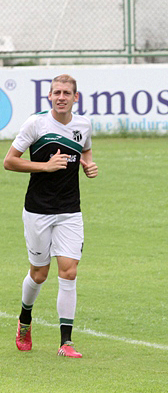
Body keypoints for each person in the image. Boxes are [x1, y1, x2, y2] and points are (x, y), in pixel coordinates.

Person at [3, 74, 98, 358]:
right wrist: (45, 166)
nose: (61, 97)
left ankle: (66, 342)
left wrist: (88, 166)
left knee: (69, 271)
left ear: (75, 97)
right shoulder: (36, 124)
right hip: (38, 210)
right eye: (56, 92)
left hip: (70, 210)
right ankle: (25, 319)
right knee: (40, 273)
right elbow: (9, 161)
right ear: (49, 96)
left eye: (67, 93)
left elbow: (86, 150)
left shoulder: (83, 125)